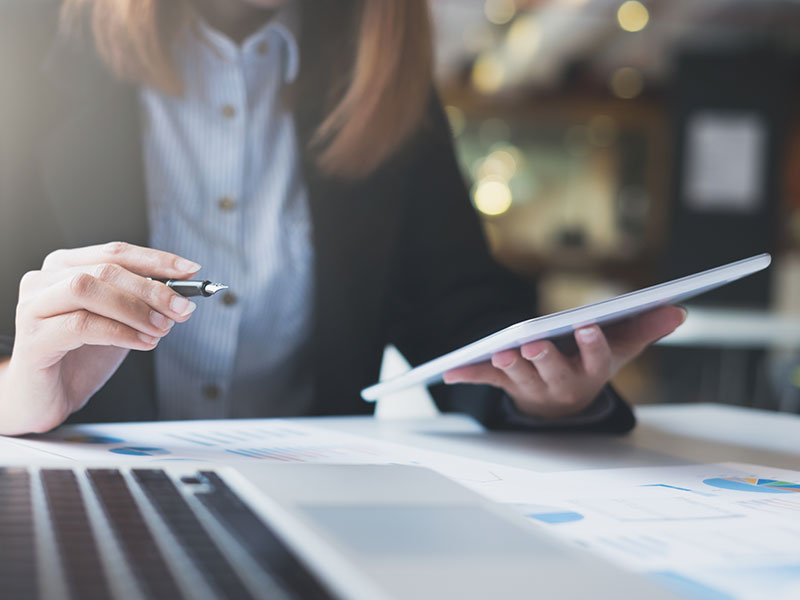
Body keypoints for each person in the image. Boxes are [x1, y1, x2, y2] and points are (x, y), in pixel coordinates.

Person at [0, 0, 685, 436]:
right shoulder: (22, 48)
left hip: (315, 504)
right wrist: (14, 394)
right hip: (79, 483)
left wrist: (543, 390)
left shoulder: (381, 79)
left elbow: (459, 310)